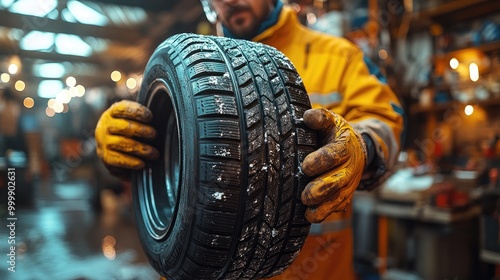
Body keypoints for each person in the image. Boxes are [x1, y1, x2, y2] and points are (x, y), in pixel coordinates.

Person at [95, 0, 405, 279]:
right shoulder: (187, 68)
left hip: (316, 269)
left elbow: (386, 122)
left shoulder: (338, 57)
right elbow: (159, 168)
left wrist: (361, 146)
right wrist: (128, 152)